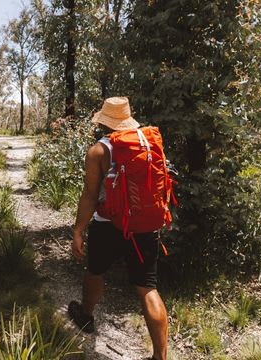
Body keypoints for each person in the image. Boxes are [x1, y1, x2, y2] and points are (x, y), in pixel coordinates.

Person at [68, 97, 168, 360]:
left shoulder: (98, 151)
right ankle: (160, 356)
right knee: (147, 287)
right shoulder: (148, 142)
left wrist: (78, 230)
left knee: (95, 270)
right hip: (145, 225)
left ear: (104, 121)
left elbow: (90, 195)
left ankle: (86, 315)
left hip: (108, 225)